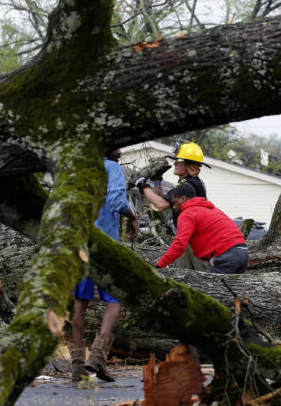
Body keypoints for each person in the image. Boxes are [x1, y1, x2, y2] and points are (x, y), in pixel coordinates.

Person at [72, 149, 139, 383]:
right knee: (115, 299)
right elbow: (118, 201)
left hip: (79, 243)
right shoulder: (111, 168)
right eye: (119, 146)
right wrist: (133, 216)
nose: (121, 151)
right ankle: (98, 356)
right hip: (104, 245)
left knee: (80, 302)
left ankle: (77, 366)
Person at [137, 141, 208, 269]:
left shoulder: (188, 185)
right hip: (191, 240)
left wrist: (143, 186)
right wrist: (157, 181)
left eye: (178, 161)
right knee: (183, 276)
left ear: (188, 165)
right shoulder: (189, 182)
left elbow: (161, 205)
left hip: (194, 242)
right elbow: (167, 200)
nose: (175, 163)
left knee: (199, 278)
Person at [156, 183, 249, 273]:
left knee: (211, 287)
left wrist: (160, 265)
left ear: (183, 198)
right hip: (243, 252)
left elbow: (180, 243)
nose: (174, 207)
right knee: (230, 287)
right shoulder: (212, 209)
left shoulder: (187, 214)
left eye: (174, 202)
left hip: (226, 255)